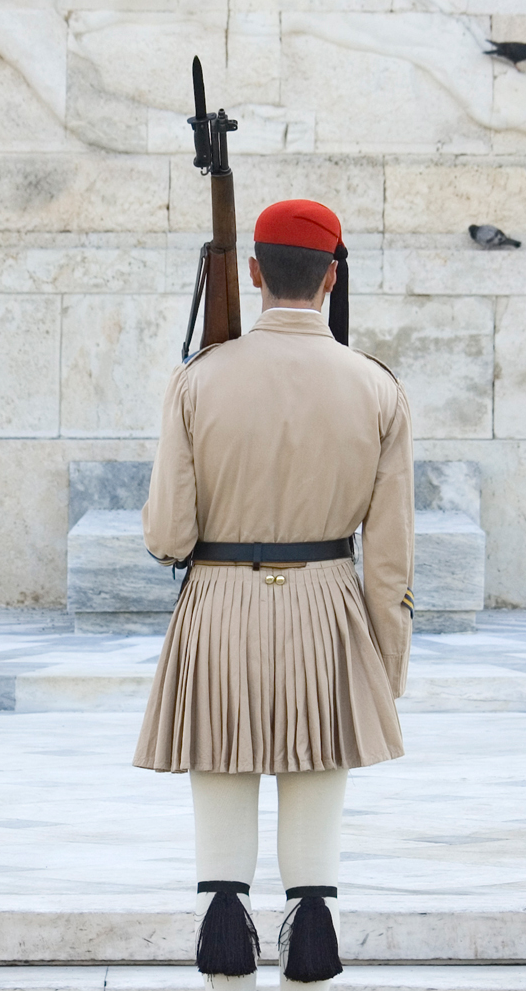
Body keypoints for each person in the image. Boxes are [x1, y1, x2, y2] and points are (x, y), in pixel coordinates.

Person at [136, 199, 416, 990]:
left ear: (255, 273)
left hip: (220, 600)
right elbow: (391, 560)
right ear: (331, 277)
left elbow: (168, 536)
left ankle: (225, 923)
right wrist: (383, 670)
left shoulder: (197, 380)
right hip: (328, 604)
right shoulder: (377, 387)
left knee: (223, 793)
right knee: (317, 789)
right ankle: (313, 915)